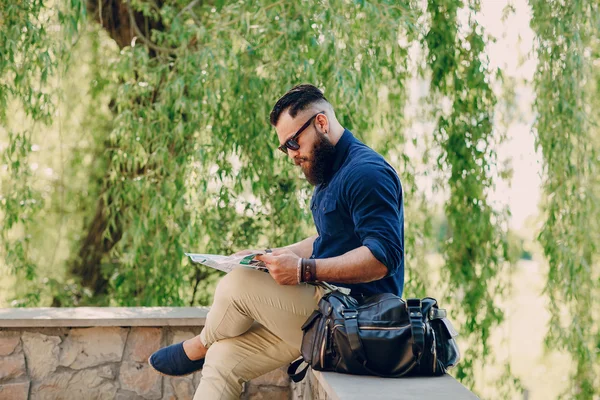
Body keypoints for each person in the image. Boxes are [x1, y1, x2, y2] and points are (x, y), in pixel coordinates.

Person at [148, 84, 405, 399]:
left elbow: (382, 258)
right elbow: (328, 239)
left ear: (321, 123)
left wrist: (302, 271)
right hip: (326, 317)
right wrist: (269, 255)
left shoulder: (365, 172)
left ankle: (200, 344)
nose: (292, 156)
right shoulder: (331, 175)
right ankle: (209, 349)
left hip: (356, 323)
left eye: (294, 143)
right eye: (285, 148)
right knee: (223, 359)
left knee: (238, 283)